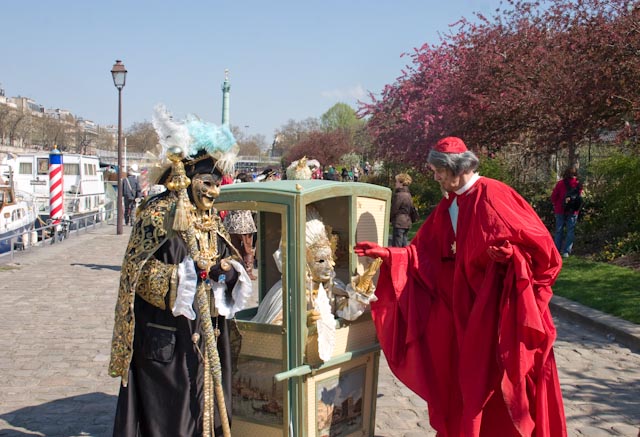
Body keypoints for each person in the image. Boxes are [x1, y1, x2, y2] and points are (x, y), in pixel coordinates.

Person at [355, 137, 566, 436]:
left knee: (495, 386)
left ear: (457, 167)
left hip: (495, 317)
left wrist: (512, 258)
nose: (435, 177)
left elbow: (545, 253)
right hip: (463, 316)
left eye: (438, 171)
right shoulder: (449, 204)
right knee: (465, 383)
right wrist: (388, 254)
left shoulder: (495, 194)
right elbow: (423, 253)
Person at [109, 105, 253, 437]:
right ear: (187, 178)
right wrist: (183, 280)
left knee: (205, 411)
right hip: (167, 341)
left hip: (205, 340)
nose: (213, 192)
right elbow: (137, 276)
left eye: (217, 185)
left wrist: (224, 273)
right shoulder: (157, 213)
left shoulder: (209, 217)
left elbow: (220, 263)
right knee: (174, 420)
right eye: (207, 183)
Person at [223, 172, 258, 280]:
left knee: (235, 249)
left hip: (230, 223)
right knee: (247, 249)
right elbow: (253, 207)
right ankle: (248, 272)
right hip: (244, 223)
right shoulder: (248, 191)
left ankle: (237, 271)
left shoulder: (232, 190)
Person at [551, 166, 583, 258]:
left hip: (560, 209)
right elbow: (579, 197)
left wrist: (557, 203)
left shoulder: (560, 184)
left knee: (559, 230)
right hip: (573, 210)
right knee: (570, 231)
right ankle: (566, 251)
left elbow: (553, 197)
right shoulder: (578, 184)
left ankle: (557, 249)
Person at [390, 173, 414, 247]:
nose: (395, 183)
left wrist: (389, 219)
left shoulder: (399, 195)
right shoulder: (408, 194)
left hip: (399, 222)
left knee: (397, 246)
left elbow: (394, 209)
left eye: (396, 181)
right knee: (404, 245)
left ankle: (397, 259)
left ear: (401, 183)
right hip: (407, 222)